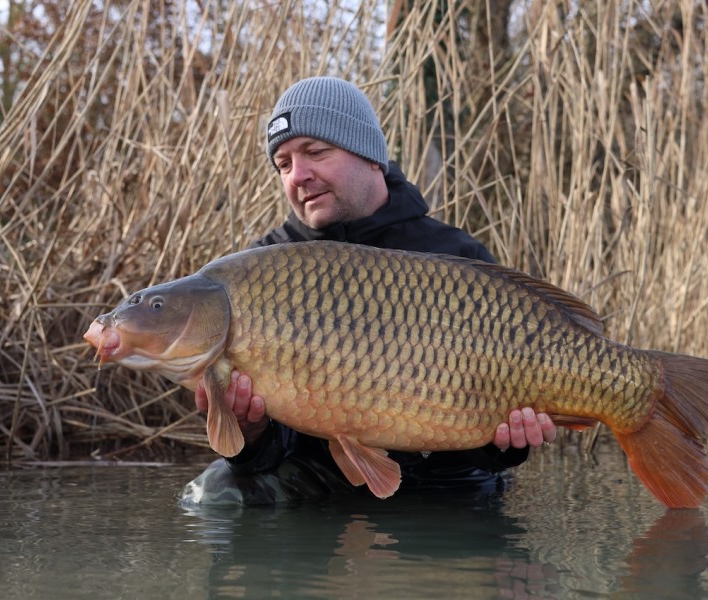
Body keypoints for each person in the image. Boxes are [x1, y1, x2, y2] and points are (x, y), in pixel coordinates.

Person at [178, 77, 556, 506]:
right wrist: (251, 432)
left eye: (317, 152)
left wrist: (509, 441)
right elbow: (267, 452)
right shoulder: (262, 271)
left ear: (371, 156)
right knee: (212, 497)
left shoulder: (454, 256)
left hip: (446, 480)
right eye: (283, 164)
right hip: (323, 477)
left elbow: (496, 448)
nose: (298, 175)